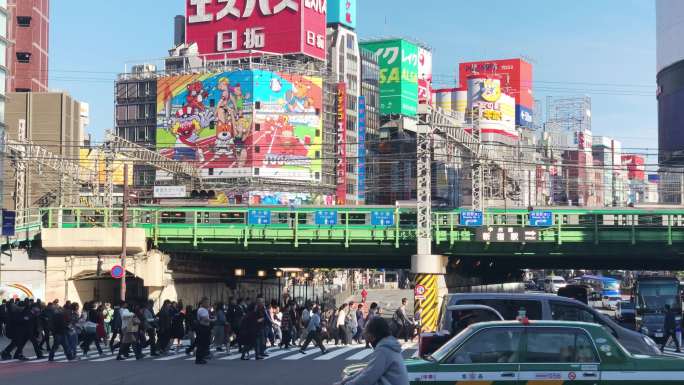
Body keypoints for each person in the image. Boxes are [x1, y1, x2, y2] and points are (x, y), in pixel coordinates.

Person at [334, 317, 409, 385]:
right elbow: (366, 371)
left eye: (366, 330)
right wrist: (344, 382)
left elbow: (367, 378)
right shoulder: (387, 346)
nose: (364, 333)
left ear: (374, 334)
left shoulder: (383, 350)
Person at [195, 297, 212, 364]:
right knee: (201, 343)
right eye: (207, 302)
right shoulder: (201, 309)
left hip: (205, 327)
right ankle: (199, 358)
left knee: (204, 343)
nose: (208, 304)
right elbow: (205, 319)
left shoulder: (205, 309)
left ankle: (202, 357)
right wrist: (212, 320)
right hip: (202, 327)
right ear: (203, 303)